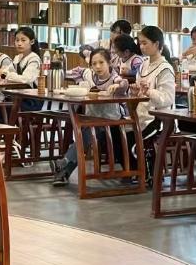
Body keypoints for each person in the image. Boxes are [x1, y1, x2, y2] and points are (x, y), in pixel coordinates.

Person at [52, 48, 129, 187]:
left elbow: (124, 83)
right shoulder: (89, 74)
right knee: (85, 133)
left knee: (85, 134)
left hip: (111, 121)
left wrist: (117, 85)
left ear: (109, 63)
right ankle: (63, 170)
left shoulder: (114, 77)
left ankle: (64, 165)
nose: (98, 66)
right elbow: (76, 72)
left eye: (101, 62)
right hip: (93, 118)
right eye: (94, 63)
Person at [132, 26, 177, 171]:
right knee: (118, 135)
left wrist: (149, 92)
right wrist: (135, 90)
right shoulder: (143, 65)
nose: (141, 46)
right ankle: (135, 172)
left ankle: (148, 175)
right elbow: (140, 91)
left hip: (159, 119)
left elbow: (168, 98)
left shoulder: (165, 68)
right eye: (140, 43)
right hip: (141, 115)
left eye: (145, 43)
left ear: (156, 44)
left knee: (134, 144)